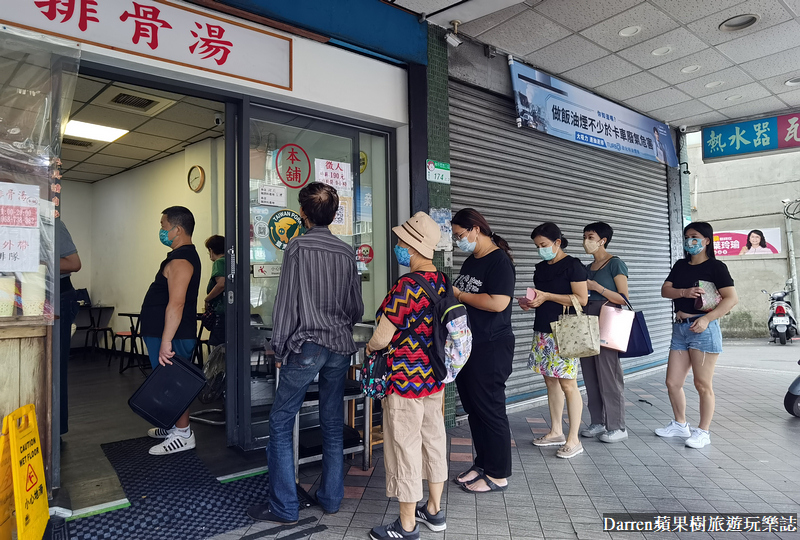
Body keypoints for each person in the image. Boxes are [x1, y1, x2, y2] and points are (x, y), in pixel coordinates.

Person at [248, 183, 363, 525]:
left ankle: (284, 506)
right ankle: (331, 498)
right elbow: (355, 306)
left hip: (307, 346)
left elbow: (286, 303)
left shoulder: (297, 246)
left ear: (303, 213)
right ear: (333, 214)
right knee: (331, 422)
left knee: (281, 421)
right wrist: (339, 325)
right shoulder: (346, 251)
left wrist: (278, 346)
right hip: (341, 347)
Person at [366, 212, 447, 540]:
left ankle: (406, 525)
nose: (398, 246)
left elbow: (383, 336)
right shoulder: (442, 280)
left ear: (412, 247)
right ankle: (433, 510)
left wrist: (370, 348)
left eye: (401, 241)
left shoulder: (406, 286)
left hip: (404, 379)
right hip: (434, 376)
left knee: (404, 445)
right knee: (434, 439)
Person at [450, 208, 515, 493]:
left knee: (491, 409)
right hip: (468, 344)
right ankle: (483, 463)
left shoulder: (498, 261)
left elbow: (498, 303)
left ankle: (498, 474)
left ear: (476, 229)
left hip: (491, 345)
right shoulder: (470, 261)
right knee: (474, 409)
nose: (458, 241)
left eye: (460, 235)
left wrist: (460, 295)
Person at [658, 222, 738, 449]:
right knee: (672, 382)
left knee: (702, 384)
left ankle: (703, 431)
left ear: (706, 241)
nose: (689, 241)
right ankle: (680, 424)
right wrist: (684, 292)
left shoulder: (716, 267)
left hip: (703, 329)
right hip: (680, 329)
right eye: (686, 237)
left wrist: (706, 319)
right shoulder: (681, 265)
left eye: (695, 237)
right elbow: (665, 290)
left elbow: (731, 298)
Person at [521, 222, 587, 459]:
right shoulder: (540, 268)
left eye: (544, 245)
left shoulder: (574, 266)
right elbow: (541, 297)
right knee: (550, 381)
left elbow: (582, 299)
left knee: (568, 383)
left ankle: (574, 438)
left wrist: (548, 296)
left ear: (558, 242)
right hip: (543, 329)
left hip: (566, 331)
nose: (540, 249)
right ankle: (556, 431)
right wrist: (529, 302)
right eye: (537, 246)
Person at [140, 206, 202, 455]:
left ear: (177, 229)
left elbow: (176, 302)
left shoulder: (182, 260)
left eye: (164, 226)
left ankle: (183, 434)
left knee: (174, 384)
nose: (162, 231)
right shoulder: (177, 257)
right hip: (165, 333)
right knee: (166, 382)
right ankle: (173, 424)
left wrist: (166, 341)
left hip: (172, 335)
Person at [579, 222, 629, 444]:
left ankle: (617, 426)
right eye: (584, 236)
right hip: (587, 317)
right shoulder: (587, 267)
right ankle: (597, 422)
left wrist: (597, 287)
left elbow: (623, 298)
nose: (586, 240)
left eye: (590, 236)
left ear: (603, 240)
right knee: (589, 372)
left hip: (607, 317)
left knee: (608, 373)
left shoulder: (615, 264)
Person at [58, 219, 81, 435]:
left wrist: (36, 261)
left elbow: (74, 263)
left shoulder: (51, 221)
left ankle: (57, 427)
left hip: (60, 295)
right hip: (34, 292)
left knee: (55, 366)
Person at [203, 234, 225, 347]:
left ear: (211, 250)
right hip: (232, 312)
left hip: (221, 312)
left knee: (219, 348)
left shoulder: (219, 262)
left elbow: (222, 284)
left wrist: (207, 299)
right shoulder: (231, 262)